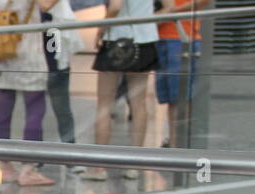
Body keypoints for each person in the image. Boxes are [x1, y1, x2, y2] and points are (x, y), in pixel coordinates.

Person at [0, 0, 57, 187]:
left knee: (3, 108)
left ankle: (5, 167)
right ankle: (28, 168)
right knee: (35, 108)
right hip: (28, 50)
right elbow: (46, 5)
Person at [83, 0, 159, 181]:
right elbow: (169, 6)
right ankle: (133, 164)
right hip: (145, 39)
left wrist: (101, 27)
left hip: (117, 39)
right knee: (139, 104)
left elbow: (116, 6)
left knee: (104, 104)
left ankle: (99, 167)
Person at [155, 0, 208, 148]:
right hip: (161, 36)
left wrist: (171, 11)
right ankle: (174, 140)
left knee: (181, 97)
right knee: (172, 99)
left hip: (181, 37)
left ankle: (179, 142)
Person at [40, 0, 84, 170]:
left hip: (52, 37)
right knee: (35, 108)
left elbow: (45, 6)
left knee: (61, 105)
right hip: (31, 49)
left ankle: (70, 155)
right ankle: (32, 160)